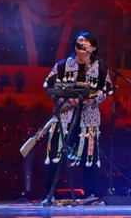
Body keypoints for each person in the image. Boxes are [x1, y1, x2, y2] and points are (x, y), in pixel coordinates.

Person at [42, 32, 113, 200]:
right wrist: (67, 96)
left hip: (89, 119)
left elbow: (107, 89)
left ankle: (91, 194)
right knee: (55, 156)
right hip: (64, 118)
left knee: (89, 157)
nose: (82, 43)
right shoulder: (63, 65)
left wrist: (94, 98)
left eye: (86, 41)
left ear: (93, 47)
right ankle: (49, 194)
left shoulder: (101, 68)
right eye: (79, 41)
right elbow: (48, 85)